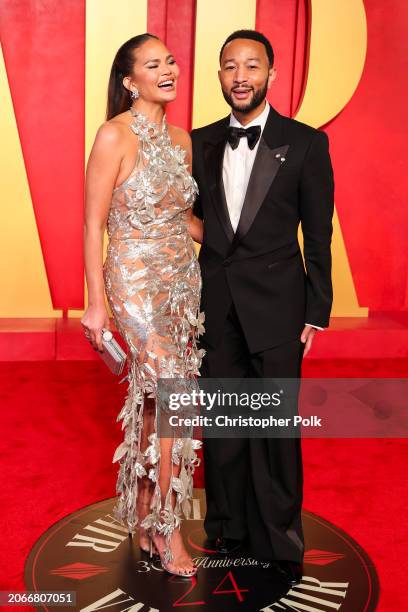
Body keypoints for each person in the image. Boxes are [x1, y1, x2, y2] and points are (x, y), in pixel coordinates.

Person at [191, 29, 334, 585]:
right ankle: (226, 525)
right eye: (230, 67)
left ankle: (279, 536)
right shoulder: (199, 143)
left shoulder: (304, 142)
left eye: (252, 66)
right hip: (216, 303)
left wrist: (316, 310)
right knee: (224, 421)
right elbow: (197, 221)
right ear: (220, 76)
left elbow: (317, 234)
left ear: (272, 75)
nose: (241, 76)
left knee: (274, 427)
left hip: (280, 307)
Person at [81, 33, 205, 577]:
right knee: (177, 395)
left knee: (163, 399)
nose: (168, 70)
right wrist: (95, 304)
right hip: (134, 281)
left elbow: (186, 219)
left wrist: (252, 238)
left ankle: (145, 512)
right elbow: (93, 223)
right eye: (153, 65)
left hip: (182, 280)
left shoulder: (181, 139)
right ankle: (168, 526)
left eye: (171, 61)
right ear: (130, 81)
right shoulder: (114, 135)